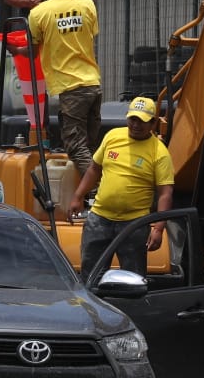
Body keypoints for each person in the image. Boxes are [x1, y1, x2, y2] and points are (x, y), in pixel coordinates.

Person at [68, 96, 174, 278]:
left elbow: (165, 192)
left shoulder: (159, 152)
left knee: (132, 279)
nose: (136, 125)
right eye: (133, 119)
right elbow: (94, 169)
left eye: (142, 121)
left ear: (153, 123)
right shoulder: (112, 136)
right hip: (100, 218)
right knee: (91, 277)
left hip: (134, 224)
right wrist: (78, 196)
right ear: (127, 117)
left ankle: (129, 307)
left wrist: (158, 228)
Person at [15, 0, 101, 176]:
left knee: (76, 147)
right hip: (92, 83)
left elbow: (32, 50)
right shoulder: (87, 4)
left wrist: (15, 51)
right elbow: (90, 35)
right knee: (90, 148)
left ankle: (99, 193)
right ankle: (90, 196)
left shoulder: (39, 13)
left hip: (70, 88)